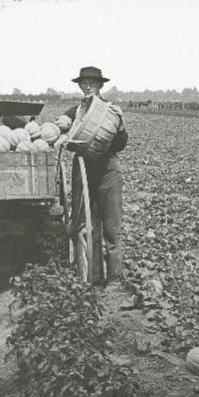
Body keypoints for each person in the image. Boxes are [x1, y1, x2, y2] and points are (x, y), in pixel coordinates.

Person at [56, 66, 128, 288]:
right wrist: (63, 130)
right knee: (85, 226)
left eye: (92, 83)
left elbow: (121, 143)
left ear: (100, 86)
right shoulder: (73, 113)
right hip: (83, 170)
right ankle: (91, 276)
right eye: (84, 82)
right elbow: (63, 136)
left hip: (107, 170)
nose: (88, 86)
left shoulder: (110, 111)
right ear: (79, 85)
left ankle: (115, 279)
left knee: (111, 228)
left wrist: (112, 133)